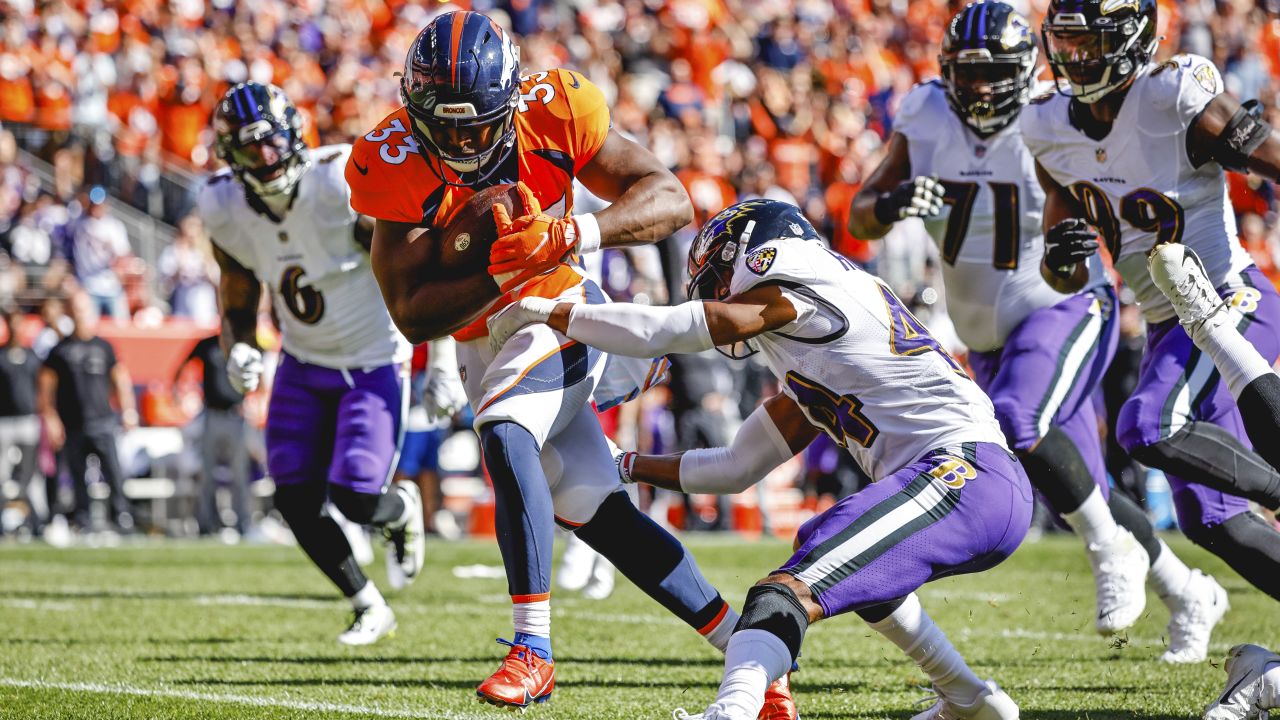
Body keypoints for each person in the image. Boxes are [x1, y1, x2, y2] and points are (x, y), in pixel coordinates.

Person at [348, 12, 793, 716]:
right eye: (448, 127)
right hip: (480, 338)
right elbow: (409, 309)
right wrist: (497, 272)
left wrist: (567, 234)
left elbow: (670, 198)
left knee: (505, 431)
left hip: (559, 309)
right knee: (596, 508)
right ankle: (757, 663)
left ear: (512, 100)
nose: (464, 142)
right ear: (414, 108)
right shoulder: (390, 157)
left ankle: (533, 652)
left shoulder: (554, 109)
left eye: (478, 124)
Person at [489, 199, 1033, 720]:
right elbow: (735, 466)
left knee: (783, 594)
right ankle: (970, 699)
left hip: (961, 475)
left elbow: (675, 329)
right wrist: (627, 464)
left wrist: (554, 312)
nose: (718, 294)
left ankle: (733, 710)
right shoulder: (817, 348)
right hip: (970, 483)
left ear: (749, 254)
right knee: (853, 567)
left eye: (718, 280)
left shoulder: (808, 281)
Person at [847, 0, 1224, 662]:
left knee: (1019, 420)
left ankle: (1115, 553)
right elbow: (861, 215)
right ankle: (1186, 588)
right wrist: (894, 203)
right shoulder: (927, 112)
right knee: (1080, 489)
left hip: (1064, 305)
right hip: (986, 336)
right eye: (969, 75)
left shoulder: (1053, 117)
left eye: (995, 74)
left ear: (1027, 70)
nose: (982, 89)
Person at [1025, 0, 1280, 600]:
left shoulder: (1173, 96)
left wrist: (1243, 138)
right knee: (1212, 520)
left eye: (1090, 42)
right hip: (1169, 325)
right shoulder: (1045, 125)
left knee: (1147, 424)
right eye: (1065, 42)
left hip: (1227, 297)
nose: (1074, 57)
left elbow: (1271, 157)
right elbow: (1061, 273)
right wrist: (1060, 257)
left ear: (1133, 37)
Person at [197, 81, 425, 646]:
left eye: (272, 146)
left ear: (295, 136)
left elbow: (410, 264)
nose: (267, 161)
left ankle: (400, 511)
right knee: (294, 498)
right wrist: (242, 343)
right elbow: (239, 284)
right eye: (251, 152)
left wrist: (439, 349)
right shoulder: (223, 206)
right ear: (231, 158)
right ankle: (366, 603)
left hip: (372, 360)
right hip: (301, 361)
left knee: (355, 497)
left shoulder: (335, 183)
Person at [1149, 245, 1280, 720]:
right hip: (1218, 292)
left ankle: (1269, 679)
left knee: (1210, 514)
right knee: (1150, 427)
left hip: (1213, 298)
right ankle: (1211, 325)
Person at [37, 290, 136, 531]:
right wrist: (50, 418)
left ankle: (121, 518)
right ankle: (84, 520)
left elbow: (119, 378)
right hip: (73, 423)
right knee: (78, 475)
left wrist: (128, 409)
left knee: (113, 472)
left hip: (102, 420)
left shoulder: (104, 347)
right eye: (75, 308)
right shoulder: (59, 350)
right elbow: (46, 388)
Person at [173, 333, 252, 537]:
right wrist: (179, 395)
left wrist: (253, 399)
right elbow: (182, 367)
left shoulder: (242, 345)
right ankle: (206, 524)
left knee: (239, 473)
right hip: (212, 415)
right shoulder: (207, 344)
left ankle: (243, 524)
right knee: (206, 474)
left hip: (237, 416)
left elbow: (258, 374)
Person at [0, 306, 43, 535]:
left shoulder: (32, 356)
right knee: (3, 474)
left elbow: (42, 388)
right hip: (4, 422)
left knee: (29, 474)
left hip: (28, 421)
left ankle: (35, 521)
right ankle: (5, 519)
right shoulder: (1, 356)